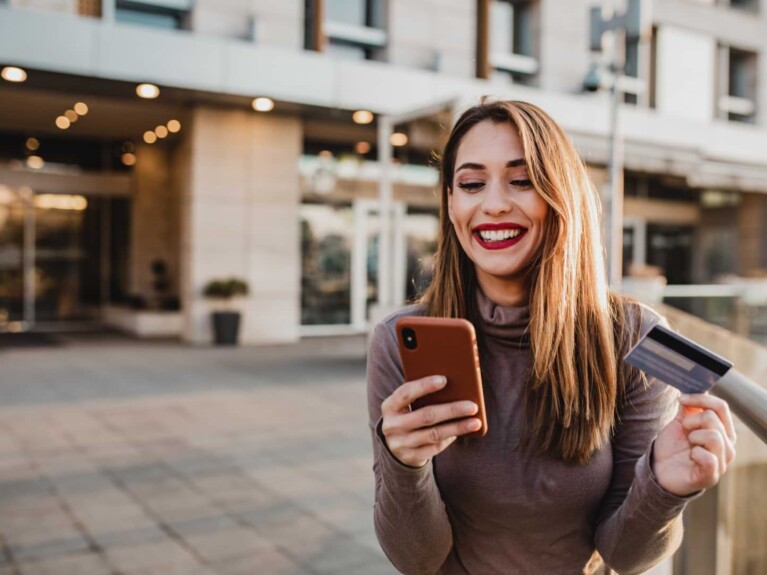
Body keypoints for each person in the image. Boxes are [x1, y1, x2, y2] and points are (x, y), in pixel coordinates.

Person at [366, 100, 736, 575]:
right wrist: (403, 466)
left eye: (521, 181)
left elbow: (627, 556)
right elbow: (416, 560)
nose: (493, 203)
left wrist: (665, 487)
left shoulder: (634, 337)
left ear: (561, 196)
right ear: (451, 203)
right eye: (472, 184)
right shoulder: (398, 341)